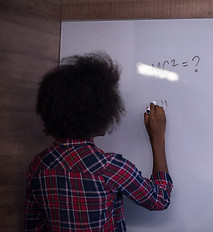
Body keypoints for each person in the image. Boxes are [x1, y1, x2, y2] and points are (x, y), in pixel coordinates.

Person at [24, 52, 173, 231]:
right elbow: (160, 199)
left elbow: (32, 225)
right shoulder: (110, 167)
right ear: (100, 112)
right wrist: (157, 139)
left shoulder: (38, 165)